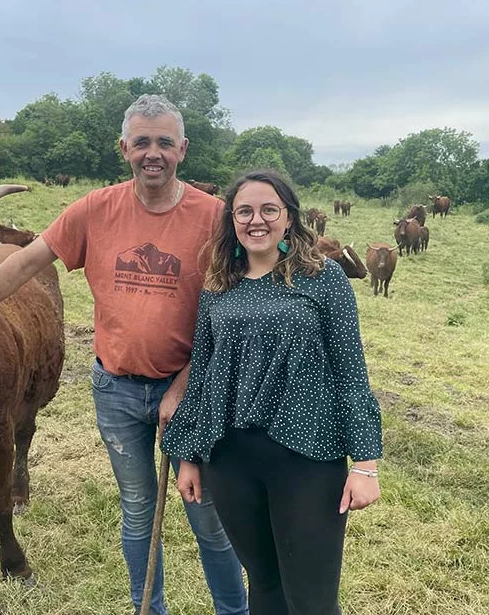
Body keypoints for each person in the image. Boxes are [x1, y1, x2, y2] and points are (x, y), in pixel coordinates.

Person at [0, 94, 247, 615]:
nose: (153, 152)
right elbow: (20, 266)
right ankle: (146, 609)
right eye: (142, 142)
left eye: (165, 142)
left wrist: (185, 383)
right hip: (118, 389)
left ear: (183, 150)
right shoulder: (95, 209)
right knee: (136, 510)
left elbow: (235, 311)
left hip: (193, 390)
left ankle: (234, 610)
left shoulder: (216, 218)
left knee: (207, 515)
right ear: (124, 148)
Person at [161, 170, 383, 615]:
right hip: (230, 461)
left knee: (311, 599)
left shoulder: (323, 279)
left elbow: (350, 372)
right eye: (244, 211)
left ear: (288, 218)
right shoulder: (219, 286)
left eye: (268, 210)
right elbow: (203, 376)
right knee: (263, 585)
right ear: (232, 220)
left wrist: (365, 464)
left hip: (307, 461)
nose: (255, 220)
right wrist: (188, 455)